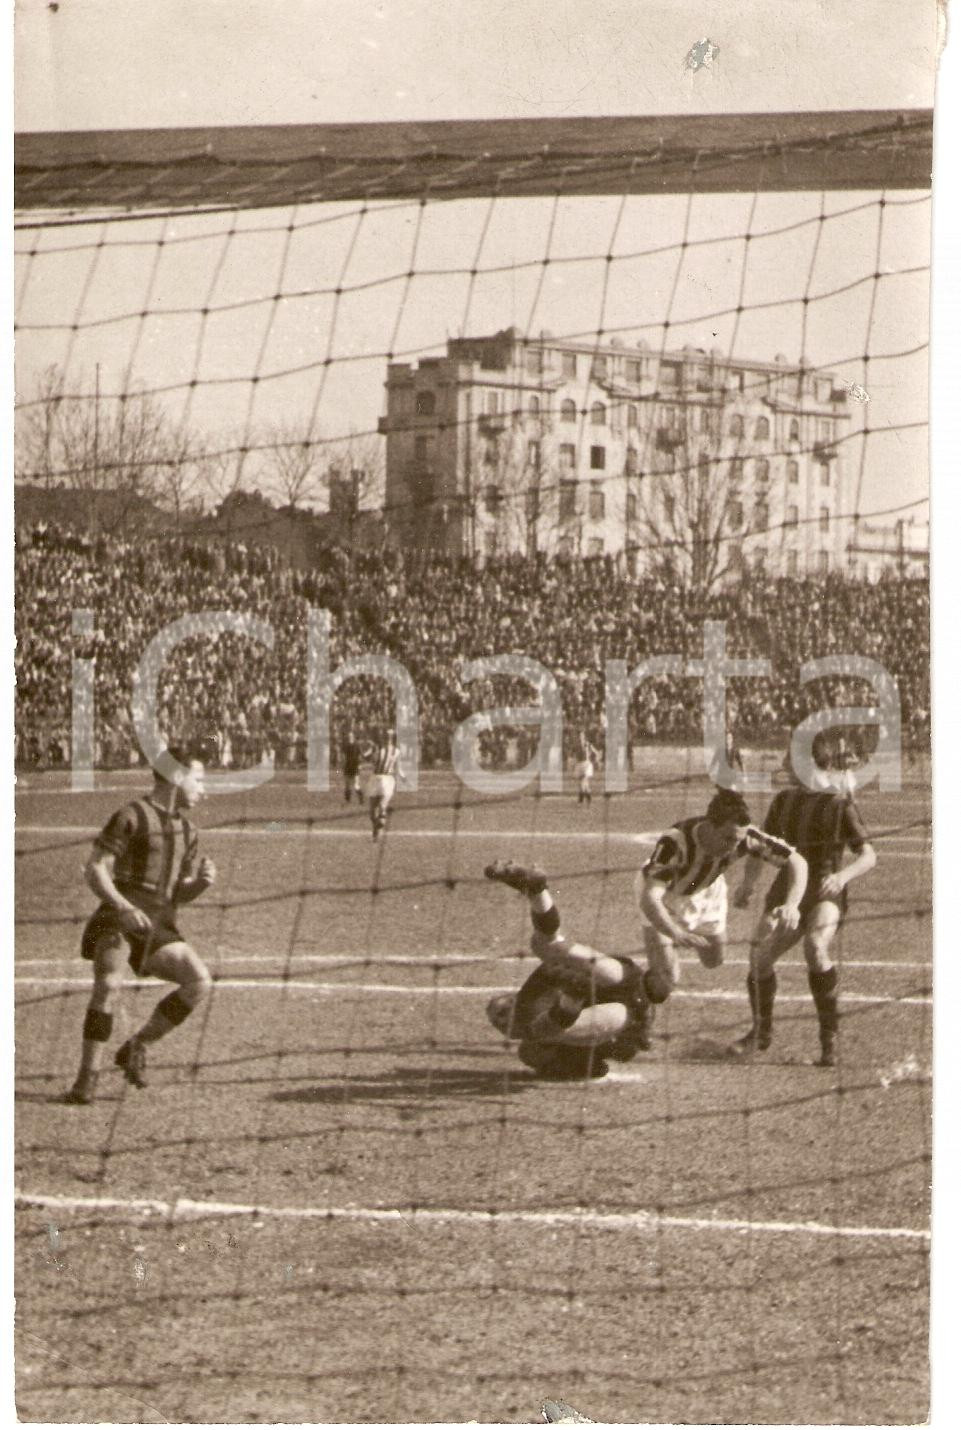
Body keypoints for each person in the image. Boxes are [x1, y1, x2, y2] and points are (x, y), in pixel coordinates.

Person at [64, 747, 217, 1105]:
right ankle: (86, 1079)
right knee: (108, 984)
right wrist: (124, 906)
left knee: (198, 982)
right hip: (118, 916)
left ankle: (137, 1045)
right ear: (176, 777)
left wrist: (200, 884)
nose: (203, 790)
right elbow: (96, 868)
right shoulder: (131, 815)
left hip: (158, 923)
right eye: (198, 780)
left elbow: (178, 894)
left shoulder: (189, 830)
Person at [729, 748, 876, 1068]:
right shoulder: (783, 801)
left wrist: (841, 877)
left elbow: (868, 855)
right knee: (759, 957)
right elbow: (760, 848)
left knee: (815, 947)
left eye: (790, 760)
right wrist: (748, 885)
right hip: (787, 889)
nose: (784, 765)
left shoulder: (839, 804)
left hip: (824, 890)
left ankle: (829, 1040)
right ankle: (761, 1032)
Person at [634, 788, 808, 1045]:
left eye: (738, 841)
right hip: (665, 896)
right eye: (728, 839)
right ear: (709, 826)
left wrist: (792, 904)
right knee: (667, 978)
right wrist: (675, 932)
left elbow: (797, 862)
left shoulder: (745, 836)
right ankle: (636, 1004)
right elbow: (650, 899)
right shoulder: (675, 842)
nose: (734, 847)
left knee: (714, 960)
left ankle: (662, 961)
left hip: (707, 892)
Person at [483, 861, 651, 1079]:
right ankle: (537, 892)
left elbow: (556, 966)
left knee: (547, 946)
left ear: (515, 999)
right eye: (496, 1020)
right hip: (621, 1017)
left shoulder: (533, 1000)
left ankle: (536, 889)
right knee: (538, 1043)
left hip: (621, 986)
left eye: (502, 1012)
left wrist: (573, 982)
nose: (501, 1021)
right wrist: (574, 995)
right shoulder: (534, 1044)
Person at [366, 727, 403, 841]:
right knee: (372, 812)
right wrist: (371, 751)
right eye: (386, 736)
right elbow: (368, 759)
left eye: (390, 736)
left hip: (387, 780)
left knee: (382, 805)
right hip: (375, 779)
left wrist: (403, 776)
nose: (388, 738)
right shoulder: (378, 748)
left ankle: (381, 822)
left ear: (392, 738)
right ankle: (376, 828)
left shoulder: (396, 751)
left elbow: (398, 766)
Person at [342, 729, 368, 806]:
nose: (350, 737)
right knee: (347, 785)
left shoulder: (357, 745)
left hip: (355, 766)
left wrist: (360, 765)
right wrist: (343, 764)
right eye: (349, 736)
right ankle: (347, 801)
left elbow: (361, 756)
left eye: (351, 736)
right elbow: (344, 756)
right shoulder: (346, 745)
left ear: (353, 737)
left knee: (356, 785)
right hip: (348, 766)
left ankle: (361, 799)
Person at [574, 735, 600, 805]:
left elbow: (596, 752)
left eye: (582, 737)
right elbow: (574, 755)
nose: (580, 739)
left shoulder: (588, 745)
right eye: (579, 737)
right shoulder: (576, 745)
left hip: (586, 764)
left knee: (583, 781)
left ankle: (581, 800)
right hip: (579, 765)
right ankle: (588, 799)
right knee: (584, 784)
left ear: (584, 738)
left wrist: (595, 760)